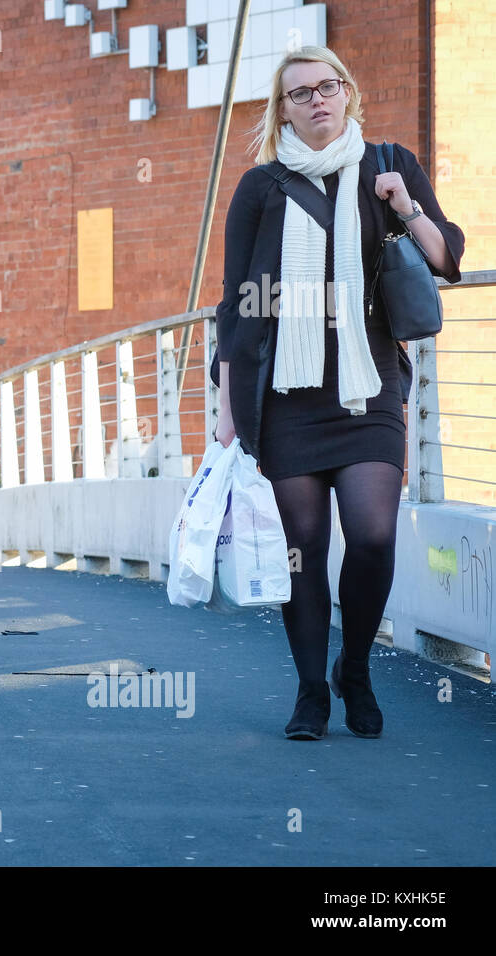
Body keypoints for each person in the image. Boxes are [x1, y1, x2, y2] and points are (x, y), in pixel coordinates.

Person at [212, 46, 463, 741]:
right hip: (288, 399)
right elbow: (235, 304)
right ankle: (312, 691)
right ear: (283, 109)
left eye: (327, 87)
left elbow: (447, 260)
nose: (317, 100)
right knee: (304, 545)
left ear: (347, 92)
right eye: (300, 93)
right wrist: (228, 407)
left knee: (374, 533)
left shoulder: (389, 165)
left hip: (369, 386)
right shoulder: (261, 188)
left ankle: (356, 666)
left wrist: (404, 206)